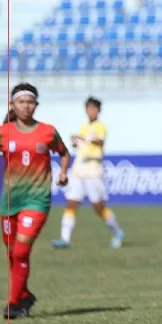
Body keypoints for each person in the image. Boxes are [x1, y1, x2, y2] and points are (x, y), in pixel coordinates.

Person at [0, 83, 70, 319]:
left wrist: (63, 173)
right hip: (9, 201)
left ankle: (13, 303)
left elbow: (64, 152)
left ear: (36, 105)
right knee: (12, 254)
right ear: (13, 105)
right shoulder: (3, 132)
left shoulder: (47, 131)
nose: (26, 106)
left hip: (37, 199)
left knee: (21, 250)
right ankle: (25, 295)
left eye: (30, 102)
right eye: (21, 102)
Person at [51, 96, 125, 250]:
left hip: (93, 170)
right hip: (79, 169)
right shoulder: (84, 126)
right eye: (89, 108)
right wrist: (75, 141)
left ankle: (117, 232)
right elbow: (80, 144)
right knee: (71, 202)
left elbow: (100, 141)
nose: (91, 111)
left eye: (94, 108)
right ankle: (65, 239)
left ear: (99, 110)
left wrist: (83, 138)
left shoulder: (100, 126)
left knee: (98, 206)